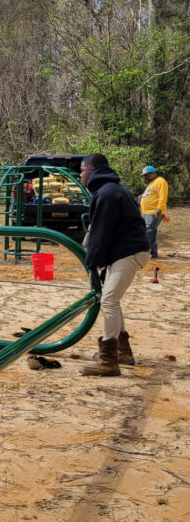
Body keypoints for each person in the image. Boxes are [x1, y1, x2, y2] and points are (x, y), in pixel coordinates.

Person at [79, 153, 150, 376]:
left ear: (90, 170)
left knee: (109, 300)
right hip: (125, 251)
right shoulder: (112, 189)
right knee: (113, 300)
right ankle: (123, 351)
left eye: (81, 170)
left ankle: (109, 361)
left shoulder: (107, 193)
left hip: (128, 252)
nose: (80, 174)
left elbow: (101, 232)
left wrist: (91, 261)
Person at [139, 165, 168, 259]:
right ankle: (153, 253)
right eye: (145, 175)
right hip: (147, 212)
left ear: (153, 173)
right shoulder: (152, 183)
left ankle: (143, 253)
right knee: (151, 232)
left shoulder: (161, 181)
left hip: (153, 211)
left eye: (147, 175)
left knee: (148, 231)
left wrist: (159, 209)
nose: (145, 177)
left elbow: (163, 197)